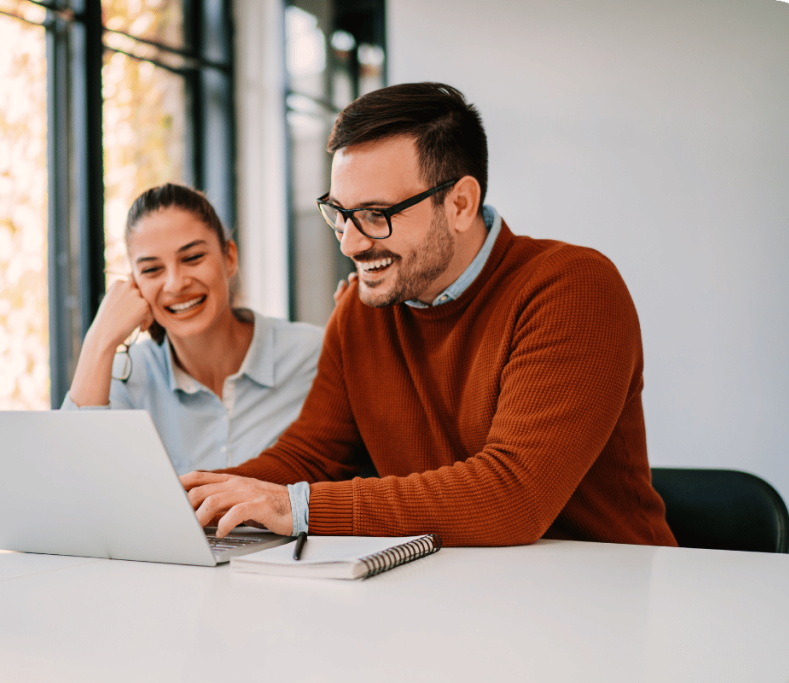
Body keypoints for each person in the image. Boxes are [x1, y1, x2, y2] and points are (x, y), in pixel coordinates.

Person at [180, 82, 677, 547]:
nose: (351, 243)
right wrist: (197, 502)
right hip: (452, 597)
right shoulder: (362, 308)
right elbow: (312, 457)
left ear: (460, 203)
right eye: (340, 214)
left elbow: (512, 495)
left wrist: (294, 507)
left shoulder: (571, 288)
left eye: (377, 215)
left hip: (607, 600)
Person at [63, 183, 323, 475]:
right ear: (135, 283)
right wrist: (99, 340)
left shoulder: (314, 355)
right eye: (151, 270)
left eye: (192, 258)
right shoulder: (126, 376)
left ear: (229, 258)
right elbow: (73, 481)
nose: (175, 284)